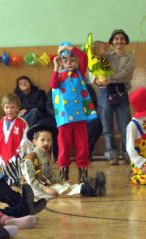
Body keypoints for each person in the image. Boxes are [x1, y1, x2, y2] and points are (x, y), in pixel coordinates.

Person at [20, 123, 106, 200]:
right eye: (42, 140)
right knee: (61, 189)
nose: (46, 143)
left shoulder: (47, 155)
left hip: (44, 185)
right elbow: (31, 181)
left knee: (66, 185)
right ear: (34, 142)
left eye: (49, 140)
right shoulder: (30, 159)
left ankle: (94, 188)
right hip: (33, 191)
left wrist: (62, 181)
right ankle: (92, 188)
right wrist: (46, 189)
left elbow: (50, 175)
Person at [50, 41, 97, 182]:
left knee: (82, 146)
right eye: (65, 60)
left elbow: (84, 57)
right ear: (61, 62)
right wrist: (56, 68)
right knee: (64, 146)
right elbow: (53, 85)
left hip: (79, 117)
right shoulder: (58, 75)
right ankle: (63, 172)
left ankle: (83, 172)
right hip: (64, 119)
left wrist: (67, 47)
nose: (69, 62)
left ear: (76, 61)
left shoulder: (79, 74)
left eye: (72, 59)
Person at [95, 29, 135, 165]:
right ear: (112, 41)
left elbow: (126, 75)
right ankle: (112, 155)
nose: (119, 41)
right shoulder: (104, 55)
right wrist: (97, 80)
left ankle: (127, 154)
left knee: (126, 125)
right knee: (107, 126)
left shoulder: (130, 57)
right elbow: (93, 71)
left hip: (121, 92)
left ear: (126, 41)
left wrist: (107, 78)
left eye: (122, 38)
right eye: (116, 38)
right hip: (104, 92)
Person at [0, 93, 33, 186]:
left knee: (17, 165)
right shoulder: (1, 121)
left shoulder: (22, 122)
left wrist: (22, 146)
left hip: (17, 151)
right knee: (5, 166)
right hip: (4, 150)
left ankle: (21, 179)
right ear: (3, 107)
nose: (10, 110)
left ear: (18, 108)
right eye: (7, 107)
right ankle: (10, 179)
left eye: (13, 107)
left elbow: (27, 136)